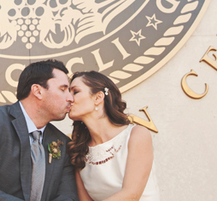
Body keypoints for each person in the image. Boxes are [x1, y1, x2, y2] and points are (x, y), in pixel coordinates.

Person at [0, 59, 79, 201]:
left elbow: (69, 197)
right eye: (63, 89)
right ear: (37, 91)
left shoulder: (62, 143)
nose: (70, 98)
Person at [67, 71, 160, 201]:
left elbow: (131, 195)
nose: (68, 98)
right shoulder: (78, 151)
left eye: (75, 92)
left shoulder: (136, 135)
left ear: (98, 97)